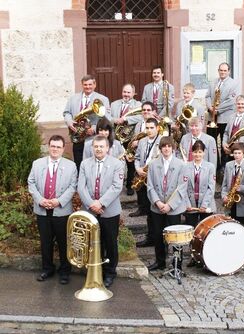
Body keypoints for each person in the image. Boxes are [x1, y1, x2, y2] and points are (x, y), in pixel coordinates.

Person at [27, 135, 77, 285]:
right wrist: (40, 200)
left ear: (63, 149)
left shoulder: (71, 166)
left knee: (63, 242)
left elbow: (72, 186)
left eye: (58, 147)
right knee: (45, 242)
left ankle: (64, 271)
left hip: (61, 210)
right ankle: (47, 269)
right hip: (42, 209)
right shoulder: (37, 163)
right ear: (49, 147)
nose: (55, 149)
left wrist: (58, 201)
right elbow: (31, 182)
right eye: (53, 146)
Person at [77, 135, 124, 288]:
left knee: (110, 243)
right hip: (90, 211)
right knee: (93, 243)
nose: (98, 149)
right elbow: (81, 187)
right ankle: (96, 271)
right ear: (92, 148)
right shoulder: (85, 164)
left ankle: (110, 273)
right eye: (96, 146)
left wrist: (101, 203)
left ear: (107, 148)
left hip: (109, 210)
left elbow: (117, 187)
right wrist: (91, 204)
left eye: (101, 146)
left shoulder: (117, 164)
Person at [146, 136, 188, 271]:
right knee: (158, 235)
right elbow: (150, 186)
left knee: (176, 237)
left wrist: (169, 205)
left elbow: (182, 187)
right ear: (160, 148)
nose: (166, 148)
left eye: (169, 146)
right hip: (157, 207)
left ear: (173, 148)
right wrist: (157, 202)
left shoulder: (181, 164)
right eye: (164, 146)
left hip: (173, 208)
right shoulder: (153, 164)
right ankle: (160, 261)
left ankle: (177, 263)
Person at [63, 74, 110, 170]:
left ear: (94, 85)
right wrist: (69, 121)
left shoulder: (103, 99)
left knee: (93, 164)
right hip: (77, 136)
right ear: (82, 85)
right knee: (78, 163)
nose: (87, 87)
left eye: (90, 84)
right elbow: (66, 112)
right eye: (85, 85)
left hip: (93, 137)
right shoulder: (73, 98)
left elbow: (107, 118)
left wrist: (94, 127)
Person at [107, 83, 142, 195]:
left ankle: (129, 186)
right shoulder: (114, 104)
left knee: (130, 162)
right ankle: (114, 185)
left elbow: (141, 116)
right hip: (115, 138)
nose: (126, 94)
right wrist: (115, 120)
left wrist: (126, 119)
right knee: (113, 161)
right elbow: (107, 116)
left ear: (133, 93)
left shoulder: (138, 104)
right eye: (124, 92)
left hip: (129, 138)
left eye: (128, 92)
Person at [205, 62, 240, 170]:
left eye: (225, 70)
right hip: (212, 118)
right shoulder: (213, 82)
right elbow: (207, 96)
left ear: (229, 71)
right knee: (212, 143)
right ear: (218, 70)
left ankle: (224, 168)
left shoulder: (234, 84)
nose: (223, 72)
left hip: (225, 118)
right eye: (221, 70)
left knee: (224, 145)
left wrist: (217, 109)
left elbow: (231, 101)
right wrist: (210, 108)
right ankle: (214, 166)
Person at [133, 118, 162, 248]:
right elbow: (137, 157)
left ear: (157, 128)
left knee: (155, 212)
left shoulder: (162, 141)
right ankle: (150, 237)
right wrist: (138, 168)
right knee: (148, 211)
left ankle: (158, 238)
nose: (149, 130)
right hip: (143, 178)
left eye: (152, 128)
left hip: (156, 180)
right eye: (147, 128)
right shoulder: (143, 141)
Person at [183, 140, 216, 227]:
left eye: (200, 152)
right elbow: (183, 187)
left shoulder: (210, 167)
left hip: (206, 205)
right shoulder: (185, 167)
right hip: (191, 204)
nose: (197, 154)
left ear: (204, 153)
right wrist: (187, 203)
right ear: (192, 153)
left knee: (206, 231)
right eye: (195, 152)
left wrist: (204, 205)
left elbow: (211, 187)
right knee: (190, 229)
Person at [221, 142, 244, 229]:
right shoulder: (228, 165)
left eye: (239, 153)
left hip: (243, 204)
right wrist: (224, 196)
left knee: (243, 229)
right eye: (235, 153)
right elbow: (224, 184)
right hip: (230, 203)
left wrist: (241, 188)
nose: (237, 155)